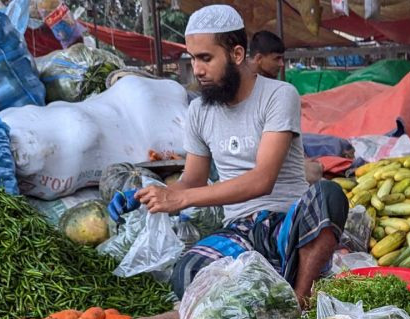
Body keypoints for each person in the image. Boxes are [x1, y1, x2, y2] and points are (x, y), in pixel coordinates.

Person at [135, 5, 348, 303]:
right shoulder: (198, 111)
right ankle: (272, 284)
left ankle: (299, 298)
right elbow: (192, 180)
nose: (197, 69)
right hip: (241, 231)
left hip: (287, 226)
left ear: (236, 54)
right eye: (193, 58)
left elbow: (263, 180)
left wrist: (181, 199)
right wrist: (149, 196)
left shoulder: (278, 95)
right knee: (187, 275)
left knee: (329, 196)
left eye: (206, 58)